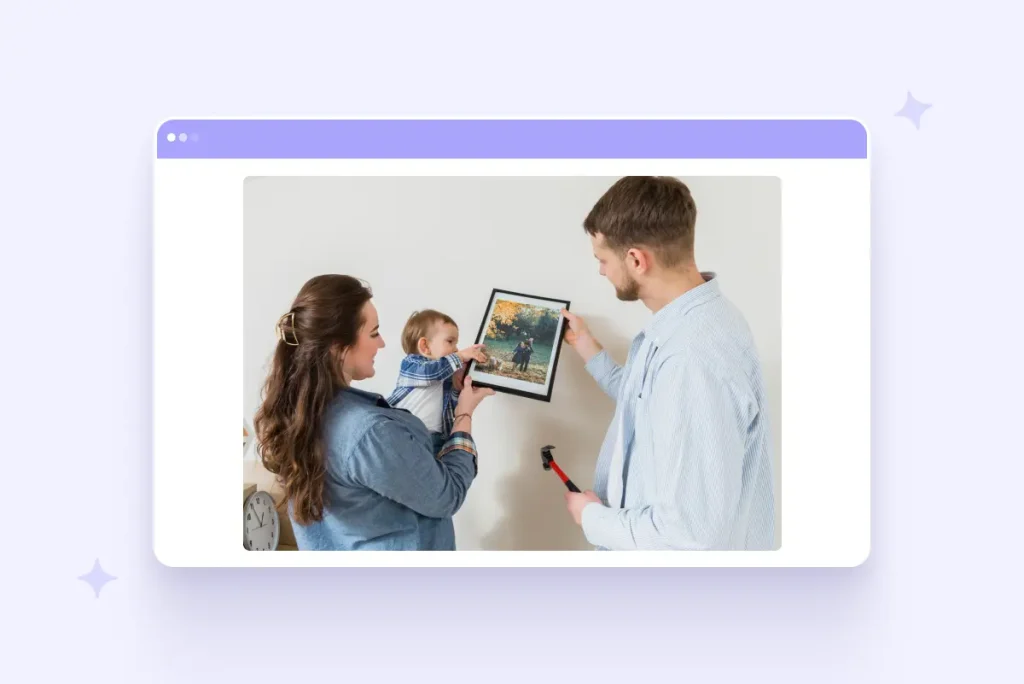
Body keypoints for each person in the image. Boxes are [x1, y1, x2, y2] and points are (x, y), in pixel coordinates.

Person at [560, 176, 775, 550]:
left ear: (636, 260)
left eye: (603, 259)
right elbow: (646, 401)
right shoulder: (693, 323)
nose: (601, 271)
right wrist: (588, 348)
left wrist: (591, 517)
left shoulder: (692, 358)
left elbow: (689, 534)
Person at [253, 275, 494, 550]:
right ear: (337, 348)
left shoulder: (303, 414)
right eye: (374, 333)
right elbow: (447, 495)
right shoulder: (371, 432)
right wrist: (465, 414)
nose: (382, 344)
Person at [387, 309, 489, 454]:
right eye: (450, 341)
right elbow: (431, 373)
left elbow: (451, 408)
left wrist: (457, 386)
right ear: (425, 347)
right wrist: (460, 357)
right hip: (405, 434)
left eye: (456, 343)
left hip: (436, 441)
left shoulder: (444, 377)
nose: (456, 349)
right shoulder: (411, 365)